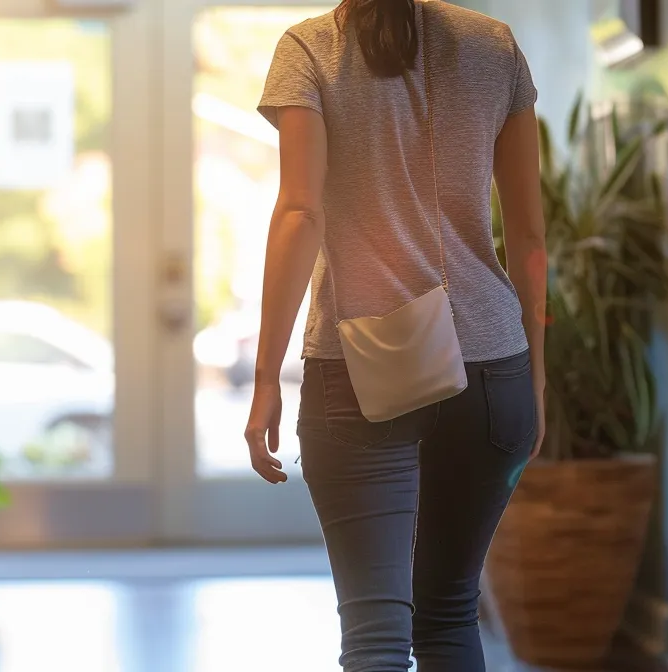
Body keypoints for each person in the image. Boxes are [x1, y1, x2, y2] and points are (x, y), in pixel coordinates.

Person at [242, 0, 546, 670]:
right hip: (491, 369)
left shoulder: (312, 48)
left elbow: (300, 210)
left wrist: (267, 378)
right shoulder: (493, 45)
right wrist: (537, 375)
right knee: (448, 614)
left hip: (358, 365)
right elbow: (527, 233)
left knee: (376, 634)